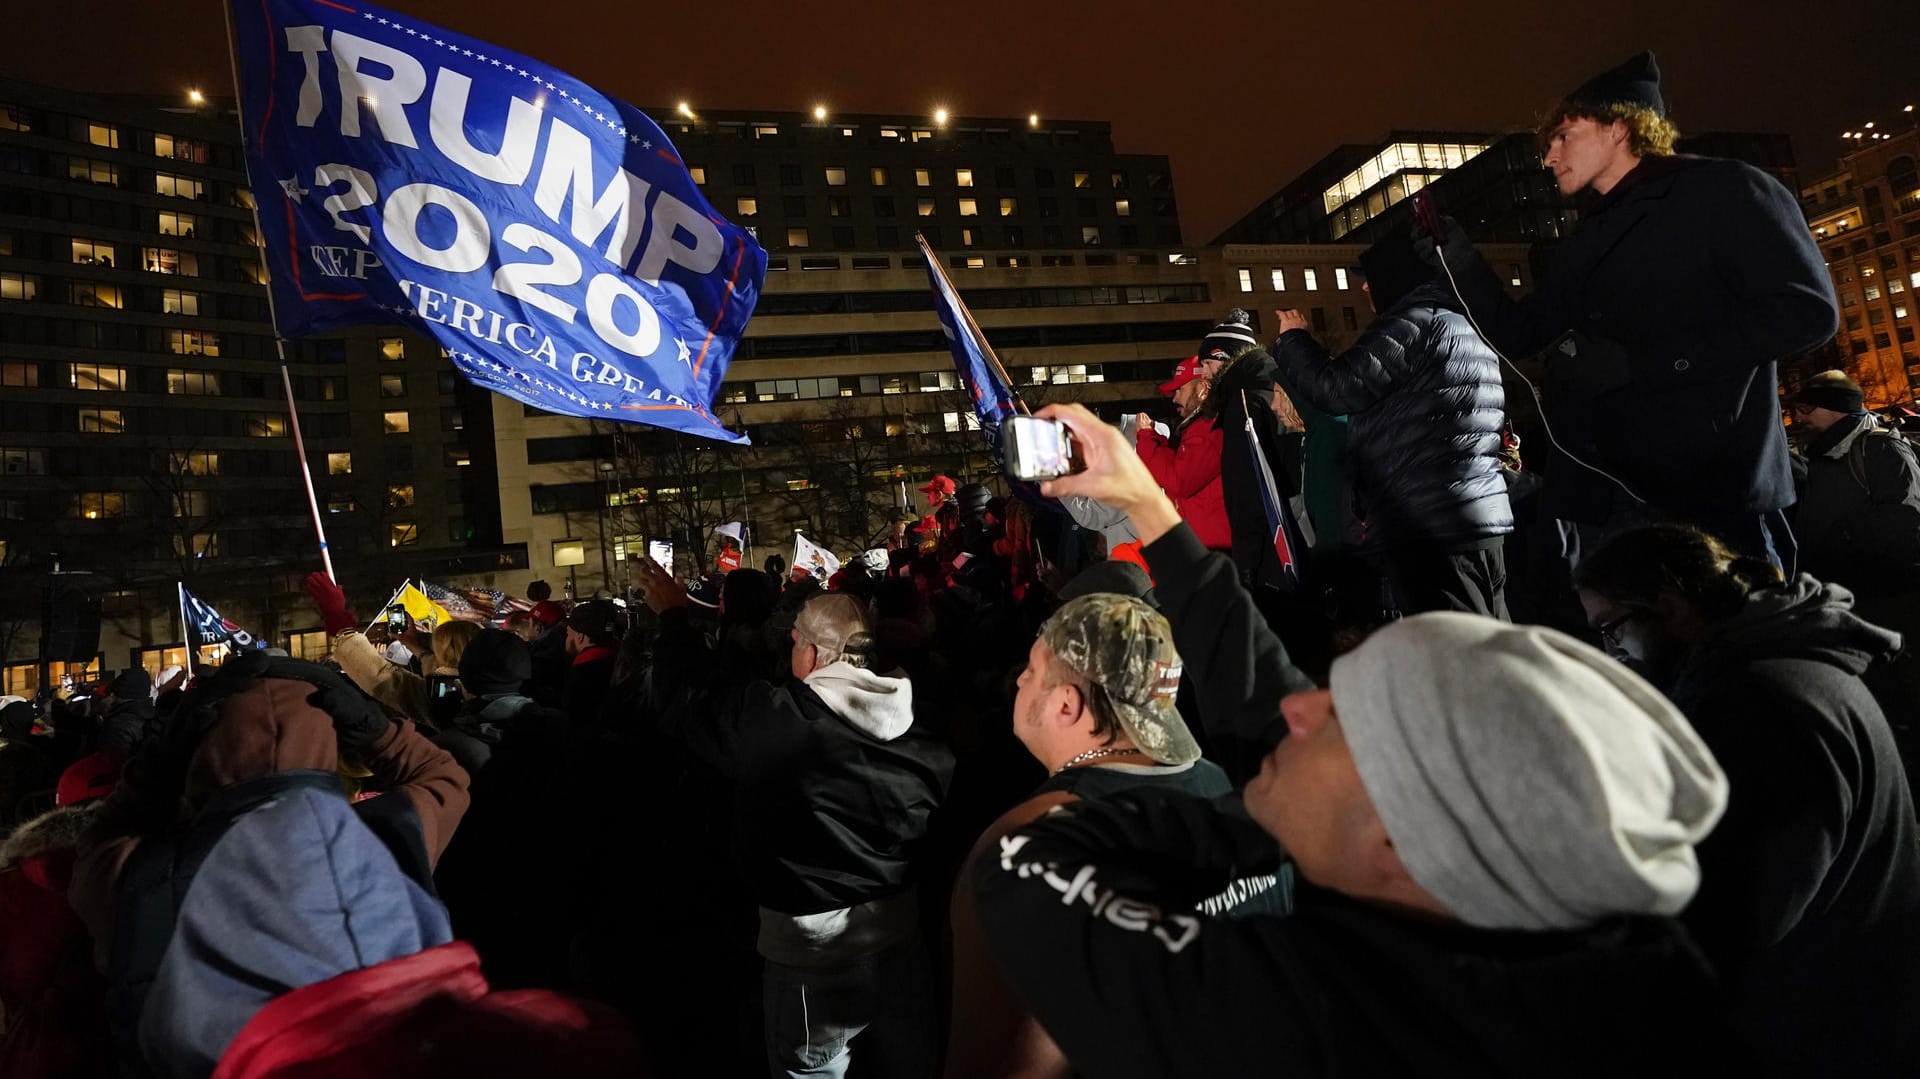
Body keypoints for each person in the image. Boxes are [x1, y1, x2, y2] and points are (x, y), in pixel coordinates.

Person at [967, 402, 1740, 1077]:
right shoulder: (1500, 914)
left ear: (1402, 846)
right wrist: (1143, 500)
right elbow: (1260, 681)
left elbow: (1022, 865)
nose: (1299, 710)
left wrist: (1256, 819)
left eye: (1342, 718)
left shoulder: (1305, 1031)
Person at [1422, 50, 1837, 569]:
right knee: (1627, 649)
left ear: (1618, 127)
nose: (1549, 156)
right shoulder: (1585, 238)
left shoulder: (1725, 189)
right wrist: (1458, 259)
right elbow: (1522, 331)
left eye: (1564, 136)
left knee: (1742, 640)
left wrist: (1648, 364)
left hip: (1709, 490)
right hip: (1606, 500)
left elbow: (1809, 312)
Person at [1573, 524, 1920, 1075]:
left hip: (1822, 1025)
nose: (1613, 652)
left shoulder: (1760, 703)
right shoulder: (1785, 658)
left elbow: (1735, 921)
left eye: (1613, 630)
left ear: (1672, 609)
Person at [635, 562, 954, 1079]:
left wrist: (673, 620)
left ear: (808, 652)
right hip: (903, 938)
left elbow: (689, 702)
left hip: (812, 955)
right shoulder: (924, 719)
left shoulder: (778, 722)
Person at [944, 593, 1240, 1079]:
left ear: (1066, 704)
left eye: (1033, 669)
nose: (1019, 679)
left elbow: (996, 1063)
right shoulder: (1226, 788)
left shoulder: (1026, 844)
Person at [1270, 229, 1513, 617]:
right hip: (1475, 516)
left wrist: (1294, 340)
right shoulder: (1461, 321)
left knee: (1449, 656)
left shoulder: (1413, 323)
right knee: (1489, 646)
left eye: (1372, 277)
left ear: (1397, 276)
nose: (1365, 288)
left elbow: (1336, 390)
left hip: (1428, 524)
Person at [1134, 356, 1231, 553]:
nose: (1175, 398)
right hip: (1207, 547)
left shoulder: (1209, 429)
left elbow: (1179, 481)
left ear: (1203, 389)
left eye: (1181, 389)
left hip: (1217, 549)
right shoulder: (1199, 428)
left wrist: (1147, 438)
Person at [560, 599, 622, 721]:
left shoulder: (580, 676)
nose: (566, 639)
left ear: (580, 637)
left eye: (568, 634)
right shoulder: (623, 662)